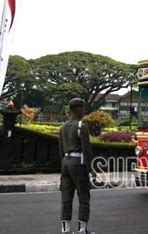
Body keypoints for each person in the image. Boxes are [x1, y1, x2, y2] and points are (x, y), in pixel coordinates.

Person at [59, 98, 93, 233]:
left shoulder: (63, 127)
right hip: (78, 163)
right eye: (83, 108)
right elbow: (86, 149)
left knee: (66, 195)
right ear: (77, 109)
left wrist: (64, 163)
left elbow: (60, 148)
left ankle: (65, 229)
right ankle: (82, 229)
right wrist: (90, 168)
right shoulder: (81, 126)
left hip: (65, 163)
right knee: (83, 195)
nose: (84, 111)